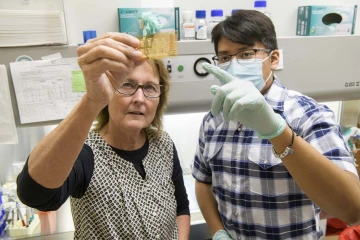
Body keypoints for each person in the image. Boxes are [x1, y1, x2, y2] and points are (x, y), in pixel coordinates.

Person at [192, 10, 360, 240]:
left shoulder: (308, 114)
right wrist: (217, 231)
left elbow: (352, 208)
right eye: (224, 58)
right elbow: (203, 182)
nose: (234, 64)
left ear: (274, 59)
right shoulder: (214, 119)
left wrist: (277, 130)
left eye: (246, 54)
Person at [16, 32, 190, 239]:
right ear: (109, 92)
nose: (139, 98)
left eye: (150, 87)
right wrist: (92, 100)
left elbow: (181, 206)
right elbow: (35, 195)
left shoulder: (163, 143)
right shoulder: (85, 152)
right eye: (127, 84)